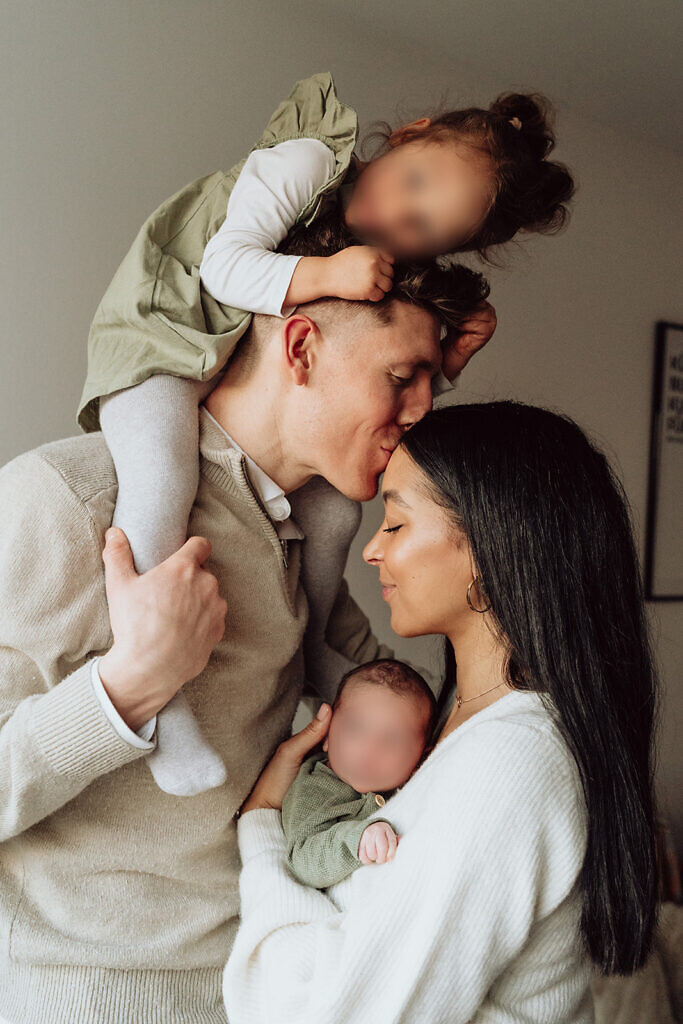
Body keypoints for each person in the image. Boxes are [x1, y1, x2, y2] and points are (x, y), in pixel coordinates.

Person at [0, 221, 492, 1023]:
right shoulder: (67, 500)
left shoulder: (299, 538)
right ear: (299, 348)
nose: (419, 411)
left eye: (431, 385)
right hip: (86, 996)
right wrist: (128, 688)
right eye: (402, 376)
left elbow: (407, 711)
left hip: (255, 983)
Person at [78, 70, 574, 795]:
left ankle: (311, 656)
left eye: (422, 228)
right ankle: (158, 678)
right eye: (411, 182)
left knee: (339, 510)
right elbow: (225, 267)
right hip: (156, 337)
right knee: (160, 478)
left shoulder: (293, 535)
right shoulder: (306, 162)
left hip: (246, 879)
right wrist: (125, 689)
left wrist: (445, 359)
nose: (396, 220)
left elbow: (371, 355)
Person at [223, 402, 660, 1024]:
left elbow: (314, 1013)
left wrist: (263, 825)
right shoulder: (459, 718)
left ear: (487, 547)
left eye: (395, 524)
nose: (371, 550)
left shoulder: (507, 763)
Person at [281, 658, 436, 887]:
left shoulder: (411, 787)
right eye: (356, 729)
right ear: (327, 736)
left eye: (392, 739)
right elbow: (303, 861)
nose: (370, 750)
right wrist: (358, 838)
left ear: (421, 759)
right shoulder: (314, 789)